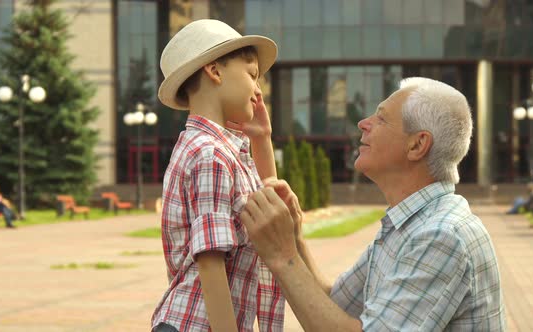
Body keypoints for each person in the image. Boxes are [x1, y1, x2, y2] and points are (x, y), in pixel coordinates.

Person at [240, 77, 506, 331]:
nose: (363, 123)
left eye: (381, 118)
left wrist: (282, 256)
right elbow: (334, 306)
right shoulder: (411, 224)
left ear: (417, 145)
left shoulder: (441, 236)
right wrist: (295, 239)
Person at [151, 19, 284, 332]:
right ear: (215, 71)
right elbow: (211, 264)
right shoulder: (210, 155)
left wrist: (262, 139)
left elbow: (267, 214)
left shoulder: (217, 150)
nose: (257, 89)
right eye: (252, 75)